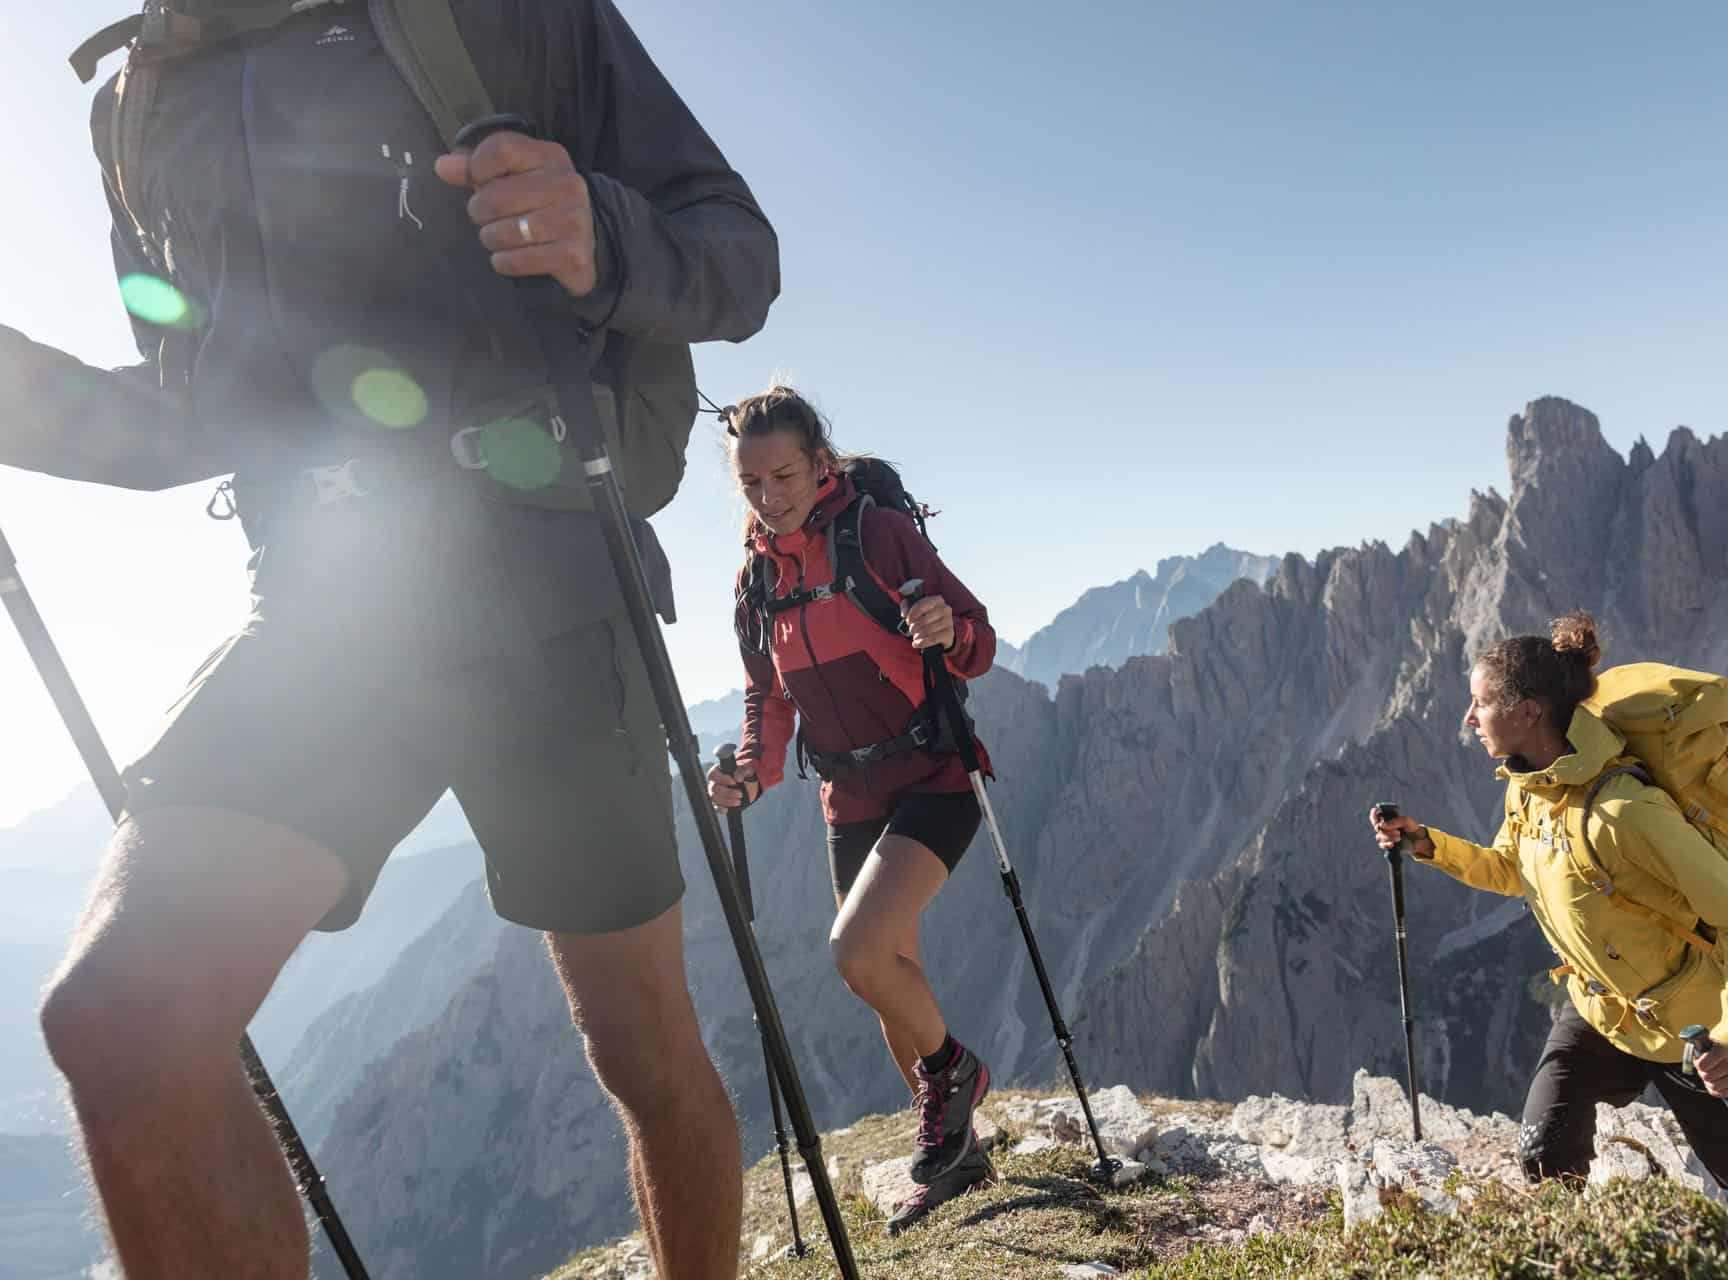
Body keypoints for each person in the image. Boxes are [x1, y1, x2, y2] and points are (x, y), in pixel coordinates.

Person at [13, 2, 779, 1276]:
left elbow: (735, 255)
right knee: (122, 1020)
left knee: (640, 1043)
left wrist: (601, 228)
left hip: (548, 579)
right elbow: (189, 412)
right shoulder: (137, 100)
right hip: (330, 602)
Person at [1369, 611, 1728, 1188]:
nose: (1468, 718)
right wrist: (1428, 844)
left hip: (1697, 1030)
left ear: (1529, 711)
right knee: (1544, 1155)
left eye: (1481, 703)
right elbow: (1512, 870)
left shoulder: (1626, 813)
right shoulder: (1530, 788)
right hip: (1599, 1012)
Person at [705, 386, 996, 1233]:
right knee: (884, 978)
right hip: (847, 794)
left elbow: (975, 638)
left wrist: (948, 629)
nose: (770, 494)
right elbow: (769, 701)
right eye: (752, 483)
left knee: (855, 950)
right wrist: (751, 777)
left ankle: (956, 1072)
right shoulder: (757, 579)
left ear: (822, 464)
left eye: (785, 473)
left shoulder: (875, 533)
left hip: (933, 777)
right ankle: (956, 1152)